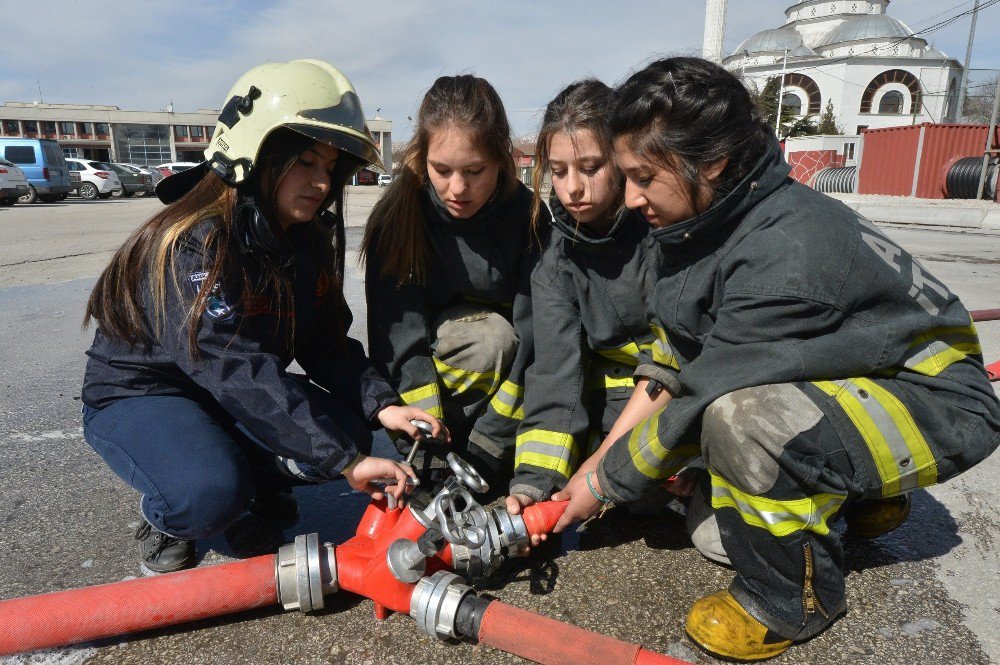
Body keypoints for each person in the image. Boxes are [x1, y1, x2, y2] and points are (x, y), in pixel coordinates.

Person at [551, 56, 1000, 661]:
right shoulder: (702, 223)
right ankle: (856, 491)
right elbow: (674, 354)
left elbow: (703, 391)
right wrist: (597, 469)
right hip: (864, 375)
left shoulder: (784, 255)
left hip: (937, 399)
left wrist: (603, 486)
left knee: (739, 419)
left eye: (643, 178)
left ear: (710, 162)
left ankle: (792, 599)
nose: (629, 199)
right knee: (718, 519)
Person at [81, 60, 445, 573]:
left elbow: (325, 344)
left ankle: (245, 482)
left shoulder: (302, 239)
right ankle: (172, 513)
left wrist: (383, 407)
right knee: (208, 493)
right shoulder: (190, 244)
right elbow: (233, 368)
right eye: (306, 161)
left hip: (222, 390)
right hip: (146, 394)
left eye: (330, 168)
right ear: (256, 151)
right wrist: (345, 464)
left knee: (349, 431)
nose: (322, 183)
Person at [362, 75, 548, 493]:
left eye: (474, 171)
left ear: (502, 159)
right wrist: (425, 452)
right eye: (441, 171)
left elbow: (539, 338)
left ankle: (483, 439)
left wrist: (491, 443)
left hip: (507, 380)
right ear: (422, 158)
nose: (457, 189)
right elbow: (399, 347)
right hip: (435, 375)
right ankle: (448, 442)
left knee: (499, 339)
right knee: (490, 341)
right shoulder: (398, 219)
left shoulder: (528, 217)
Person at [503, 80, 660, 531]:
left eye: (590, 167)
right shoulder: (555, 266)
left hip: (686, 389)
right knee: (639, 499)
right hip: (622, 401)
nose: (573, 188)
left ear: (621, 159)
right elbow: (555, 379)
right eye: (558, 170)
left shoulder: (661, 231)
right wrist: (532, 486)